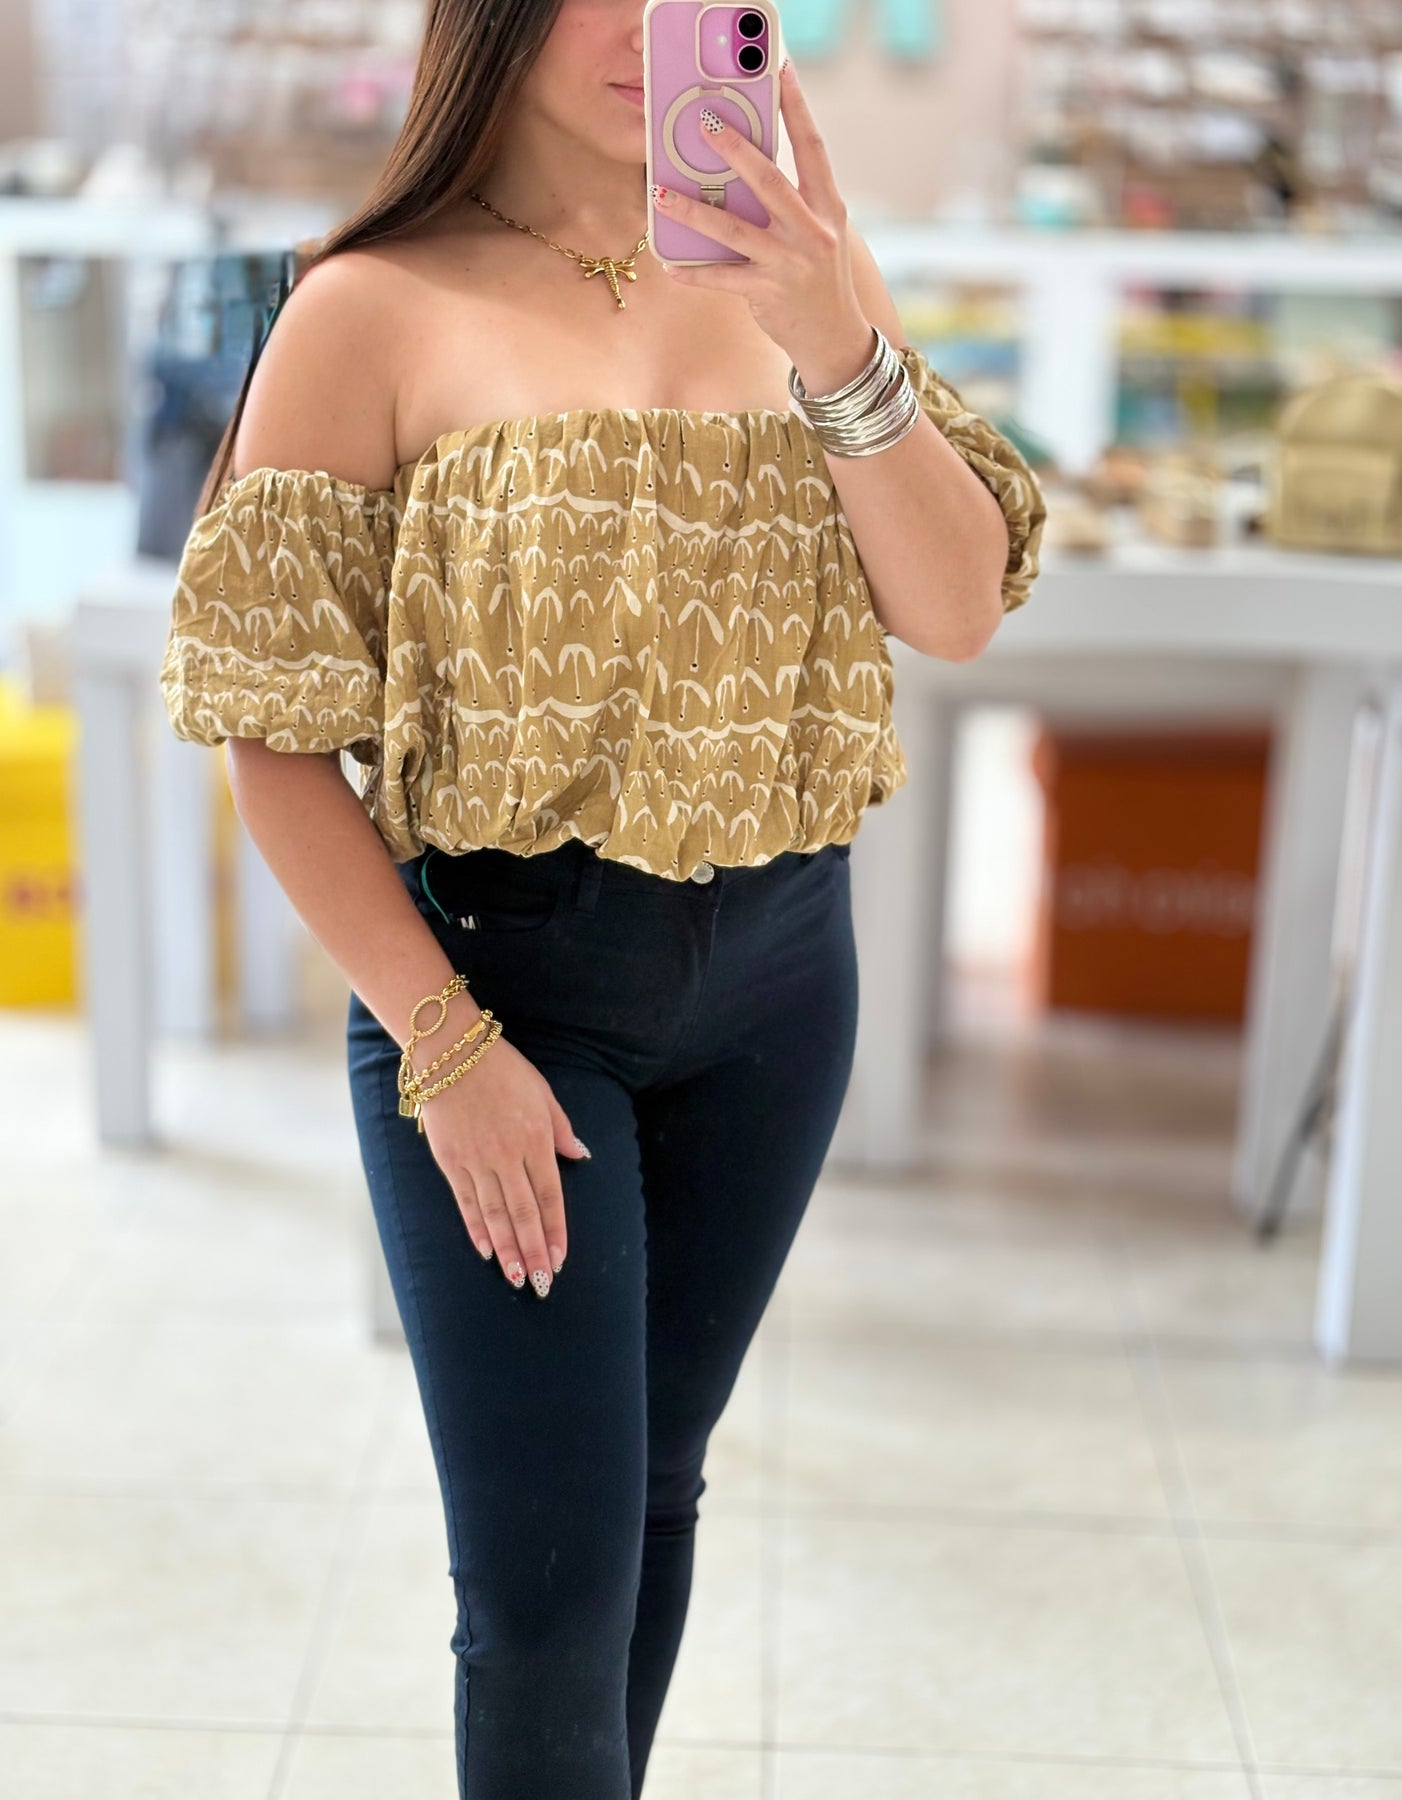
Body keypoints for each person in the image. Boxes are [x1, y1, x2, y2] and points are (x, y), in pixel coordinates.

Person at [158, 3, 1045, 1793]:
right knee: (545, 1594)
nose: (653, 24)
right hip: (507, 995)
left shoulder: (800, 268)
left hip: (783, 983)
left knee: (651, 1492)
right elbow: (272, 742)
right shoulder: (367, 307)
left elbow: (953, 608)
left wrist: (830, 329)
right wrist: (443, 1046)